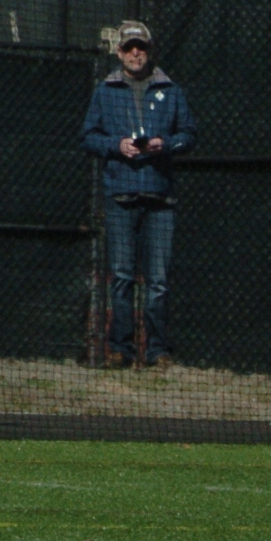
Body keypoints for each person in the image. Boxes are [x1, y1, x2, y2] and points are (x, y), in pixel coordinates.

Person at [80, 21, 196, 367]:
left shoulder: (170, 90)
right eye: (129, 47)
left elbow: (189, 134)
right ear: (119, 52)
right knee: (122, 277)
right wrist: (117, 146)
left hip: (160, 198)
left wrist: (165, 144)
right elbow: (88, 137)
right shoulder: (106, 91)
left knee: (158, 280)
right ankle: (120, 350)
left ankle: (158, 352)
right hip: (120, 196)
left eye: (141, 47)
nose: (135, 53)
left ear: (149, 51)